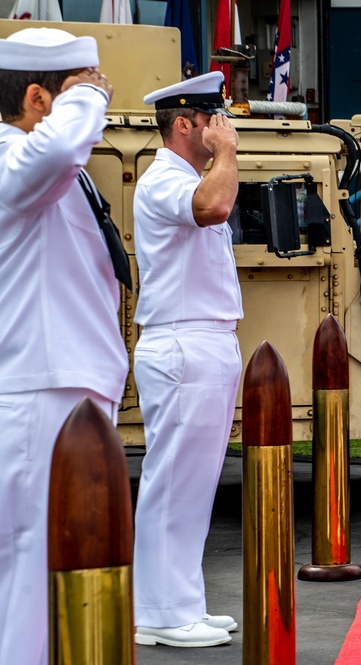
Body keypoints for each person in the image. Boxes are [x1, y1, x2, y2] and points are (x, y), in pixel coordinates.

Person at [0, 28, 128, 664]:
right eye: (89, 87)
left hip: (65, 388)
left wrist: (78, 99)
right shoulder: (11, 160)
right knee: (31, 572)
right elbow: (51, 160)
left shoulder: (36, 162)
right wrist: (84, 100)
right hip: (38, 394)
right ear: (37, 100)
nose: (103, 100)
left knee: (62, 572)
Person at [131, 71, 243, 648]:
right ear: (184, 125)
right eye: (211, 120)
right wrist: (227, 154)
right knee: (174, 482)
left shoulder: (184, 175)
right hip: (182, 344)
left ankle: (181, 601)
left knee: (193, 485)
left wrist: (219, 153)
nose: (223, 128)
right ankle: (159, 612)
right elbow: (216, 207)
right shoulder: (163, 180)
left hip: (202, 341)